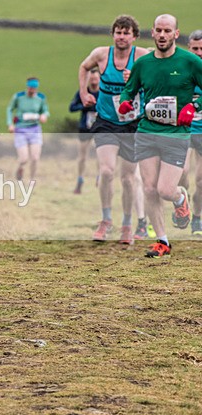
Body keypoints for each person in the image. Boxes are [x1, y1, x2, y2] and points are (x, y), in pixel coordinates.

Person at [117, 14, 202, 257]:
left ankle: (179, 199)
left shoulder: (190, 61)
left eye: (167, 31)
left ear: (176, 34)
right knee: (150, 188)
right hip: (147, 131)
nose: (162, 35)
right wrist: (125, 103)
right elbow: (129, 90)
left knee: (166, 190)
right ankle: (163, 241)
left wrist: (193, 108)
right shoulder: (143, 64)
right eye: (158, 30)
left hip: (176, 134)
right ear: (152, 33)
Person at [78, 14, 149, 245]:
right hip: (106, 121)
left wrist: (137, 78)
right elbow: (84, 67)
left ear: (134, 36)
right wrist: (83, 93)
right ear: (113, 34)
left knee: (128, 178)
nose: (121, 36)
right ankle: (106, 220)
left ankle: (127, 224)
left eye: (126, 33)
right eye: (118, 32)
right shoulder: (101, 54)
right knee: (107, 171)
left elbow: (156, 78)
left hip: (132, 124)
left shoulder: (141, 56)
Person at [6, 76, 49, 182]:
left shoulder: (41, 97)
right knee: (24, 158)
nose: (32, 90)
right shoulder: (18, 96)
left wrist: (44, 115)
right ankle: (20, 168)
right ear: (27, 87)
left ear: (37, 88)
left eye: (34, 88)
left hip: (35, 129)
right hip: (21, 129)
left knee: (35, 158)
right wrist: (10, 124)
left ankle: (32, 179)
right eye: (30, 88)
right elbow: (10, 109)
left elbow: (45, 110)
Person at [183, 29, 202, 235]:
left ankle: (197, 217)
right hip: (184, 128)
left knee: (201, 180)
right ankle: (182, 201)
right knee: (182, 173)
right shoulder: (182, 69)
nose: (198, 53)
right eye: (195, 48)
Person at [69, 66, 99, 194]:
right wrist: (85, 105)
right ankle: (80, 179)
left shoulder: (104, 92)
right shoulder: (83, 92)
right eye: (91, 79)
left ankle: (100, 177)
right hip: (85, 127)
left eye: (95, 79)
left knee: (101, 155)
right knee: (82, 156)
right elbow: (72, 107)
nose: (93, 81)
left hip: (100, 127)